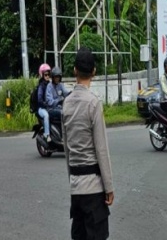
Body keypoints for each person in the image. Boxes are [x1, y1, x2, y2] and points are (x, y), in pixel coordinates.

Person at [62, 47, 114, 240]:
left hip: (76, 187)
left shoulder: (66, 104)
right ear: (93, 72)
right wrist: (109, 187)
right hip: (93, 189)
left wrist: (72, 182)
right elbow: (101, 149)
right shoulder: (93, 103)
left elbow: (67, 149)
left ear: (74, 70)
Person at [36, 63, 52, 142]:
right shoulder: (41, 86)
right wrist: (45, 104)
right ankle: (47, 134)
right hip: (41, 108)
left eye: (49, 74)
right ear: (42, 75)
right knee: (46, 115)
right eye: (46, 75)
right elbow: (39, 99)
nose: (47, 76)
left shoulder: (50, 84)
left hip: (49, 106)